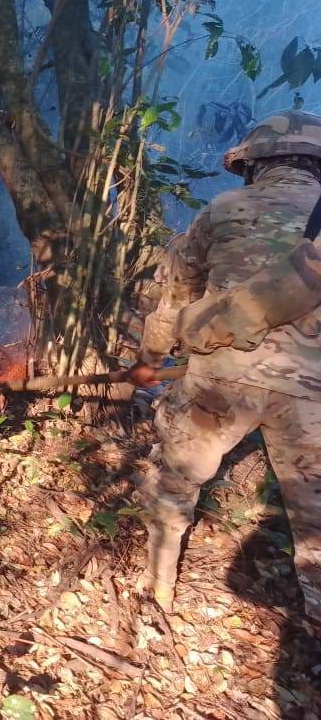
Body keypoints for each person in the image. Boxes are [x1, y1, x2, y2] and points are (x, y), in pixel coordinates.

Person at [129, 110, 321, 636]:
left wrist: (148, 363)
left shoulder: (225, 209)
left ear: (256, 162)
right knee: (317, 521)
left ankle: (159, 586)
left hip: (219, 382)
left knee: (175, 482)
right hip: (313, 400)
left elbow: (172, 304)